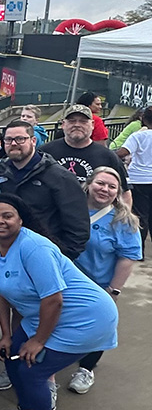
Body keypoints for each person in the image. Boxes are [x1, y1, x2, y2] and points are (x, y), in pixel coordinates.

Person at [0, 194, 118, 410]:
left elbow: (53, 299)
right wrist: (7, 335)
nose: (0, 221)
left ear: (21, 219)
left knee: (32, 371)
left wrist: (38, 341)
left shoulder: (35, 248)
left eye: (7, 216)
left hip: (86, 318)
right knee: (10, 356)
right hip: (43, 314)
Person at [67, 168, 141, 394]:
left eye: (112, 187)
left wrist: (113, 290)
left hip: (98, 286)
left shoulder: (123, 221)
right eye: (100, 183)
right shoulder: (69, 209)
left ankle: (86, 368)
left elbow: (127, 257)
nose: (105, 190)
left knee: (98, 328)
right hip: (67, 282)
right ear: (88, 184)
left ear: (118, 192)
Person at [0, 120, 89, 260]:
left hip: (44, 255)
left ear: (33, 141)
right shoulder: (2, 170)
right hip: (8, 253)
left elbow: (78, 226)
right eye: (8, 139)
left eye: (20, 139)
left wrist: (61, 256)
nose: (13, 143)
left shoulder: (59, 177)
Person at [41, 104, 130, 206]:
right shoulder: (45, 152)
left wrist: (124, 219)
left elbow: (125, 192)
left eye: (83, 121)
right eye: (72, 121)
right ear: (63, 124)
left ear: (92, 124)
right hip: (50, 214)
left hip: (92, 217)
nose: (77, 125)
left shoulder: (108, 156)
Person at [117, 108, 152, 249]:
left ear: (143, 119)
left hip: (139, 180)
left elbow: (123, 152)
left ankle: (139, 249)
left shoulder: (138, 136)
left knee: (140, 215)